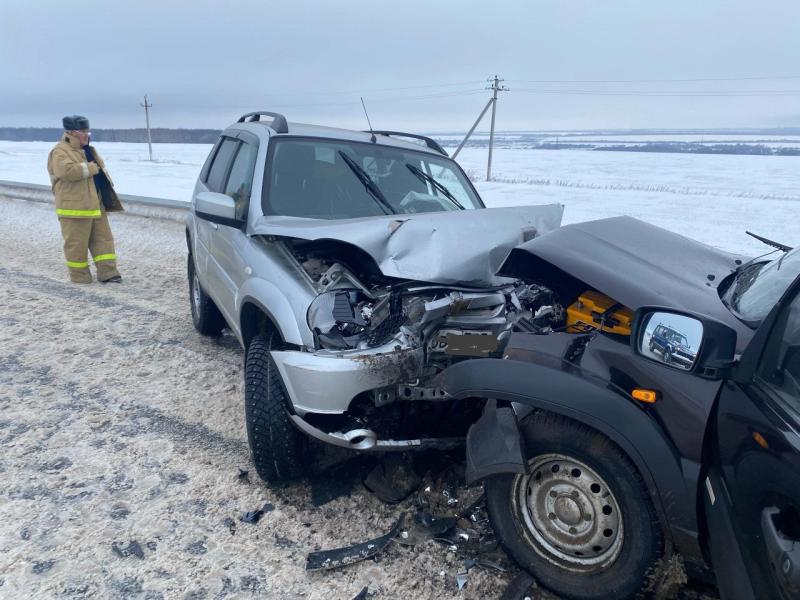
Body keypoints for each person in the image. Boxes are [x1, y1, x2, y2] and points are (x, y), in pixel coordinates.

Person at [47, 115, 124, 284]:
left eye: (87, 131)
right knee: (76, 244)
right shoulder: (60, 151)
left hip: (96, 204)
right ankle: (80, 277)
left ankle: (109, 274)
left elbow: (100, 171)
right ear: (70, 132)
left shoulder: (90, 150)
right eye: (82, 131)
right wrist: (90, 167)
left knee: (104, 241)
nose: (87, 134)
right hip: (74, 209)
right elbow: (66, 171)